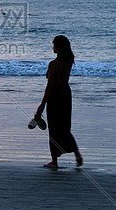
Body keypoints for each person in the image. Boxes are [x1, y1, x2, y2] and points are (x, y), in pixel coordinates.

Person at [35, 35, 83, 169]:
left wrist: (42, 104)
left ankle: (54, 161)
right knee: (65, 127)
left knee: (54, 129)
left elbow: (50, 85)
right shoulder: (69, 61)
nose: (52, 47)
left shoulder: (53, 64)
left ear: (57, 47)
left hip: (55, 95)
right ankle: (77, 154)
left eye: (54, 45)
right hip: (66, 94)